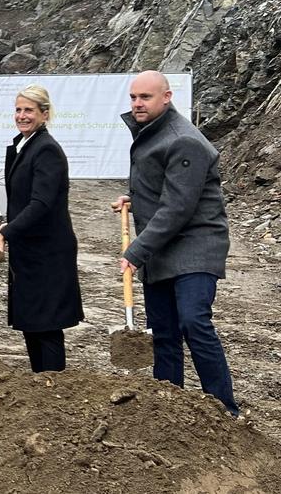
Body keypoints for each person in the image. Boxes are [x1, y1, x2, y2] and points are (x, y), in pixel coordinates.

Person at [111, 70, 237, 415]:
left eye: (145, 97)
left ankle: (225, 409)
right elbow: (165, 189)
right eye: (134, 97)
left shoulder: (184, 140)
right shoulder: (152, 132)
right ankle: (167, 405)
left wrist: (136, 251)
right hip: (164, 247)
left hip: (196, 244)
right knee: (163, 330)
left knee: (193, 321)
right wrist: (133, 198)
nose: (137, 103)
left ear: (166, 97)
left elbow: (179, 207)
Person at [0, 84, 83, 372]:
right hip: (30, 248)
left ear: (44, 114)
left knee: (47, 324)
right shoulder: (25, 145)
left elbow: (41, 204)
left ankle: (52, 386)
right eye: (18, 110)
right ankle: (39, 381)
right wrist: (12, 225)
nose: (22, 115)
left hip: (48, 251)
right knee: (31, 321)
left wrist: (6, 232)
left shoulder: (47, 151)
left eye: (29, 110)